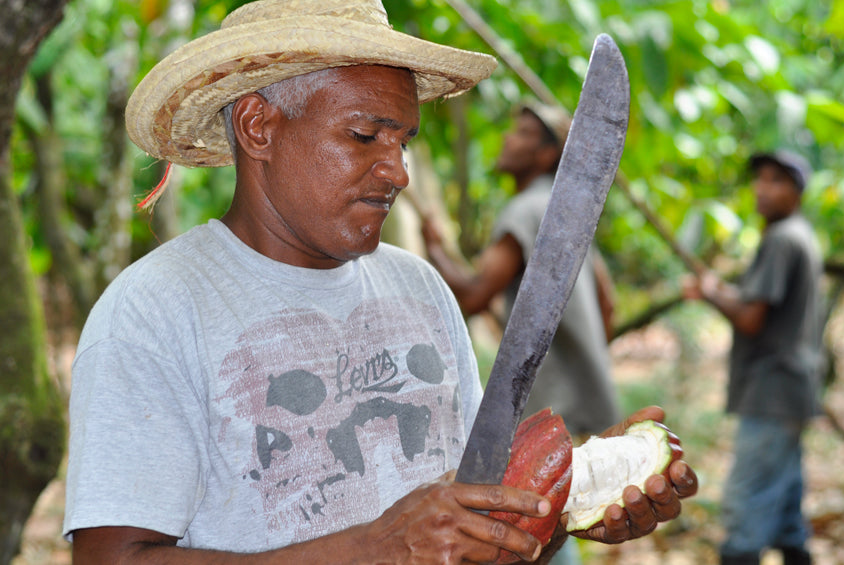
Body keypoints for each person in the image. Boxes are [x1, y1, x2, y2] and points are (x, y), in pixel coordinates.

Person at [63, 1, 698, 563]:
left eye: (403, 142)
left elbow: (470, 531)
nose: (397, 172)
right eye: (365, 135)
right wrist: (374, 548)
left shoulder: (419, 290)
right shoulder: (155, 311)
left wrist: (562, 500)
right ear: (259, 125)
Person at [421, 102, 621, 437]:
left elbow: (474, 296)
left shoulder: (525, 210)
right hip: (591, 407)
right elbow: (608, 305)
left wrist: (434, 249)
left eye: (522, 134)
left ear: (545, 155)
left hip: (555, 420)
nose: (507, 139)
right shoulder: (568, 211)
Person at [682, 150, 822, 565]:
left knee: (746, 502)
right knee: (784, 508)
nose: (762, 188)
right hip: (790, 389)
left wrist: (709, 292)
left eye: (775, 180)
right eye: (759, 179)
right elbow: (754, 302)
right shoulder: (798, 235)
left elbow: (751, 319)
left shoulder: (782, 239)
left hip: (772, 389)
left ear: (796, 191)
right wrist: (718, 289)